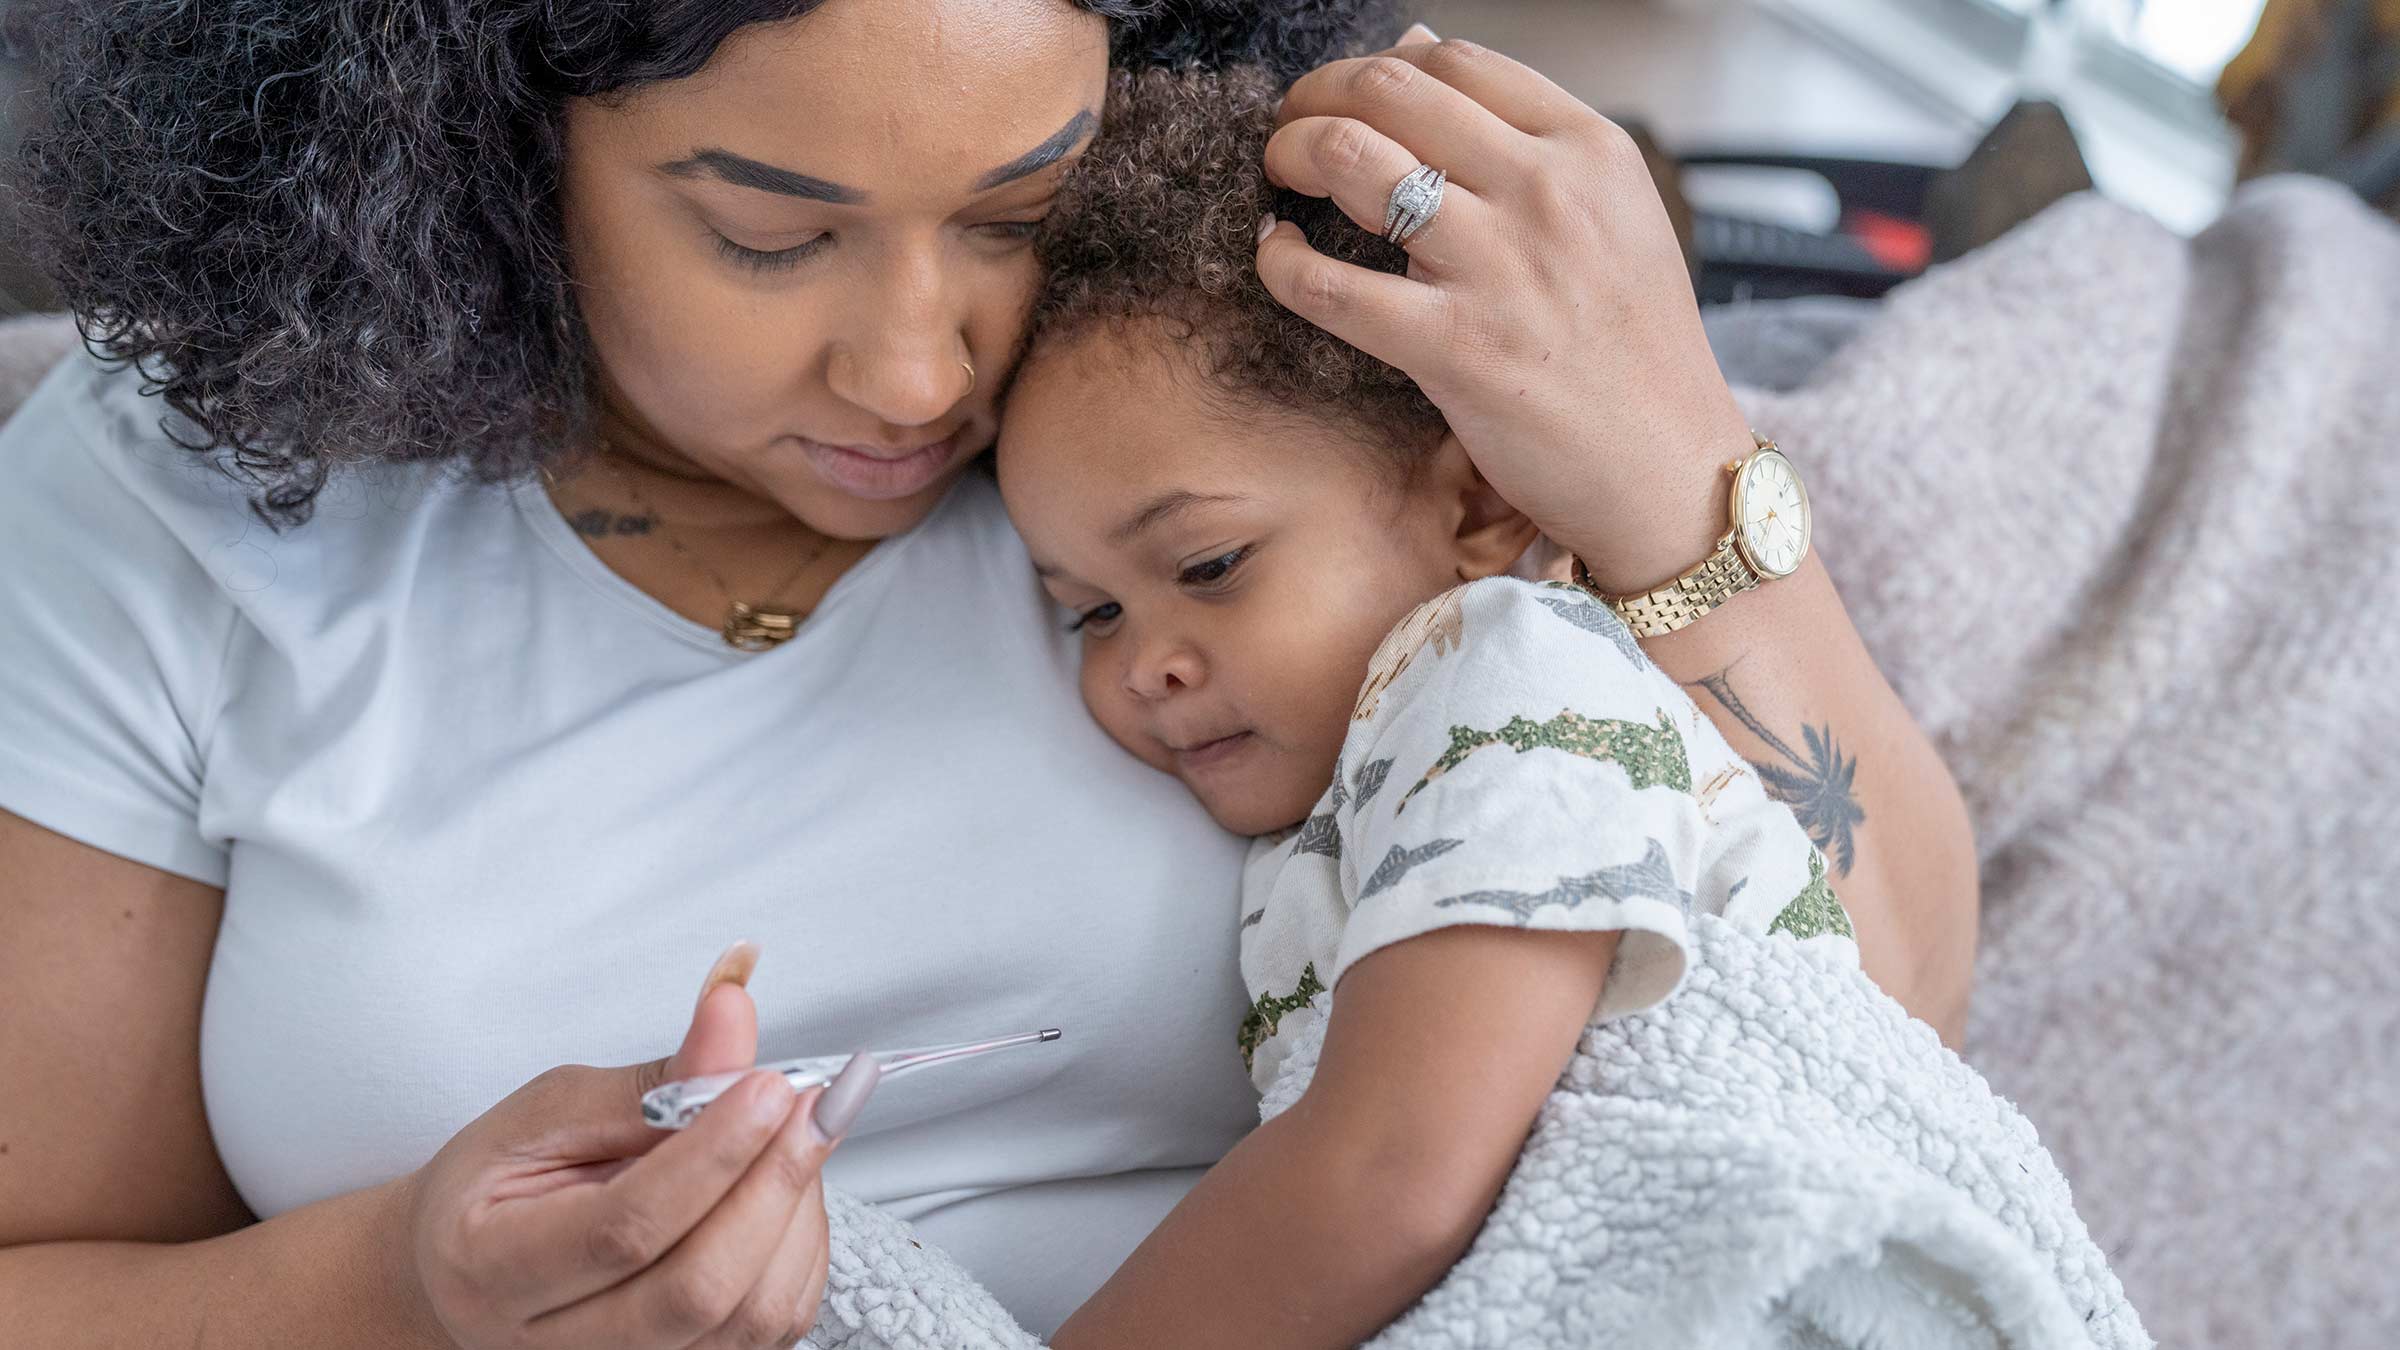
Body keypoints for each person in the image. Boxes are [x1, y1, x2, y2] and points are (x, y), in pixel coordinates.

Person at [0, 1, 1977, 1345]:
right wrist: (412, 1284)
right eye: (772, 238)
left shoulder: (1221, 408)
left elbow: (1858, 1041)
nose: (923, 373)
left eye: (1016, 211)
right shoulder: (181, 503)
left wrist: (1668, 457)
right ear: (467, 146)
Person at [988, 66, 1859, 1346]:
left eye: (1209, 568)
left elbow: (1392, 1181)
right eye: (1092, 611)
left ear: (1475, 511)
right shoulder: (1351, 784)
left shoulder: (1504, 673)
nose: (1143, 665)